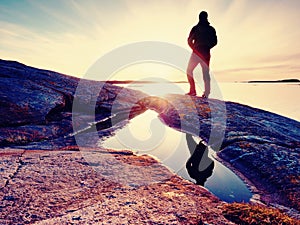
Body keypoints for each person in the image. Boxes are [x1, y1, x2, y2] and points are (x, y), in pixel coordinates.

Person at [186, 11, 217, 98]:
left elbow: (189, 40)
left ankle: (194, 91)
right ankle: (205, 92)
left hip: (198, 52)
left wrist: (195, 48)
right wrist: (207, 47)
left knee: (190, 71)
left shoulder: (197, 28)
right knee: (205, 73)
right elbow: (215, 42)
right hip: (203, 52)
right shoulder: (210, 29)